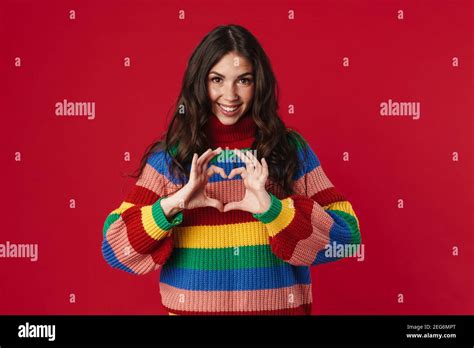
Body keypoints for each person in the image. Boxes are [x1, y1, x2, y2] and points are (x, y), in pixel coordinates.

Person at [101, 24, 361, 315]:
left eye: (244, 80)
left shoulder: (289, 150)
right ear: (200, 83)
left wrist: (272, 208)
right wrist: (173, 205)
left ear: (258, 83)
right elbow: (116, 249)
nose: (230, 94)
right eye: (217, 80)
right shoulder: (171, 158)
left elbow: (348, 238)